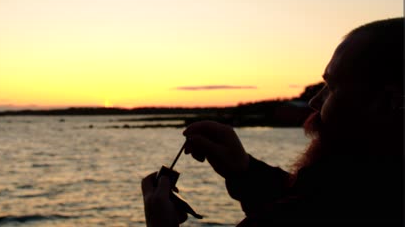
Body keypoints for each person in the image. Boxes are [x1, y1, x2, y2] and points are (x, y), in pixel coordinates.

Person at [141, 18, 404, 226]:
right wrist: (243, 170)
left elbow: (304, 212)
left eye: (332, 87)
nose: (315, 102)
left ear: (390, 102)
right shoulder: (367, 190)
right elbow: (310, 201)